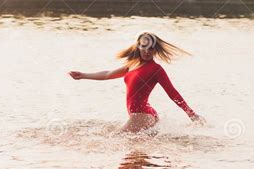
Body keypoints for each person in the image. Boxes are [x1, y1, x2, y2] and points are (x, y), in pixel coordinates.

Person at [69, 32, 205, 133]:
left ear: (155, 50)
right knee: (134, 151)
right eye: (144, 47)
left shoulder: (156, 69)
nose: (147, 51)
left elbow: (172, 93)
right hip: (140, 115)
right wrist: (83, 75)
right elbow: (108, 74)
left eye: (151, 48)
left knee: (115, 139)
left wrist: (191, 114)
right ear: (138, 47)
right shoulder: (132, 65)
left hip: (143, 115)